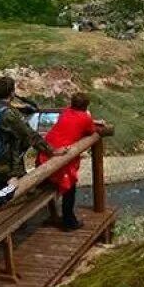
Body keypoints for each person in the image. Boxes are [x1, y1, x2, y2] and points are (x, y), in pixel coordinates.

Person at [0, 77, 64, 190]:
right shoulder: (9, 113)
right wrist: (51, 150)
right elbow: (30, 135)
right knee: (17, 196)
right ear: (11, 93)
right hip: (8, 166)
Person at [37, 92, 104, 231]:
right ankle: (69, 221)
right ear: (86, 106)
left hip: (46, 152)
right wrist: (92, 120)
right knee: (70, 188)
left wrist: (91, 119)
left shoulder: (66, 111)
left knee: (48, 185)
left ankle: (54, 215)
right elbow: (91, 130)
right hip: (60, 157)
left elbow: (75, 120)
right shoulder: (85, 118)